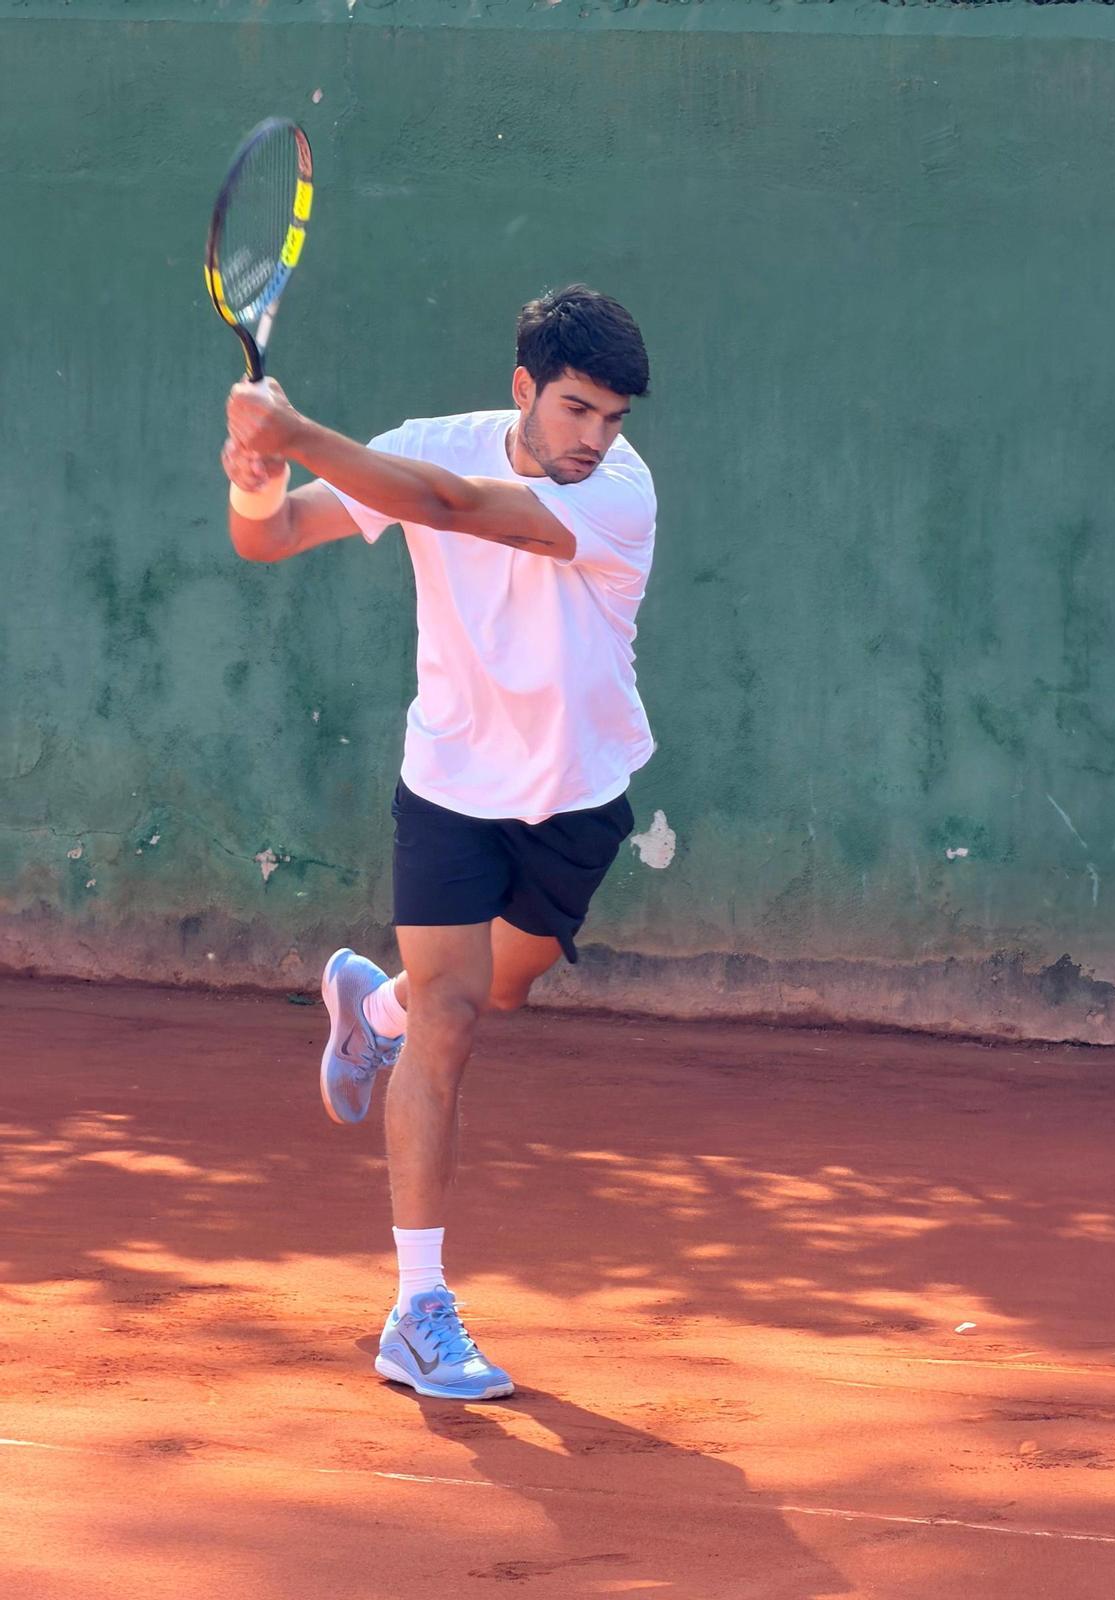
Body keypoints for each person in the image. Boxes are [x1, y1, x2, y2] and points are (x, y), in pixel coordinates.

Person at [222, 285, 656, 1401]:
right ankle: (418, 1310)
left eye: (612, 416)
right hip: (453, 785)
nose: (595, 437)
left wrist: (302, 431)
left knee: (493, 990)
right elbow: (268, 540)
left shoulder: (619, 490)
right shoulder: (419, 450)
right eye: (575, 410)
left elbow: (462, 509)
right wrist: (258, 472)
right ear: (524, 388)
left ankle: (372, 1009)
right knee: (453, 1019)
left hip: (576, 795)